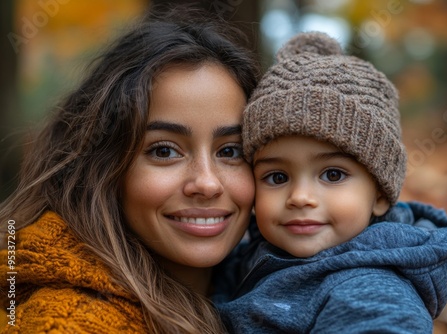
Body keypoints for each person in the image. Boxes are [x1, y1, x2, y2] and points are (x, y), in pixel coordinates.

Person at [0, 6, 260, 333]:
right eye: (164, 151)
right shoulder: (72, 324)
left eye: (230, 151)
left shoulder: (279, 282)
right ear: (103, 166)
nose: (207, 183)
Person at [213, 32, 447, 333]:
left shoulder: (368, 293)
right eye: (277, 177)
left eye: (333, 175)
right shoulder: (247, 259)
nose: (301, 197)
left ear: (380, 194)